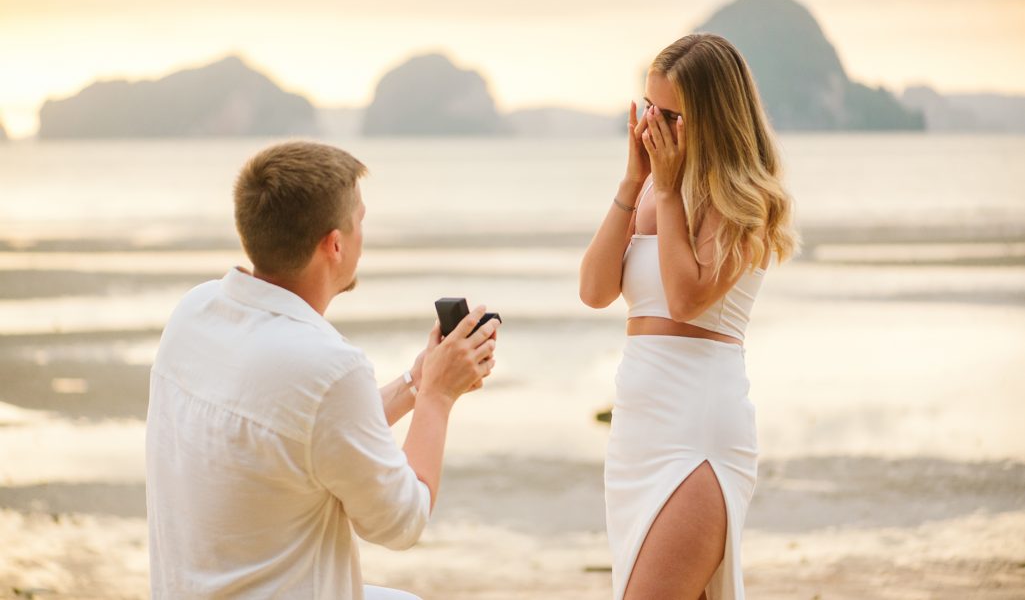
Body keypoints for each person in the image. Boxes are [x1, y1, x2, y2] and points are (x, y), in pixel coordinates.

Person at [145, 141, 500, 599]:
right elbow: (401, 521)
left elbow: (306, 429)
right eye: (360, 221)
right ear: (334, 244)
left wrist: (417, 382)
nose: (362, 234)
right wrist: (439, 397)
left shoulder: (196, 311)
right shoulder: (329, 368)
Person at [579, 34, 798, 600]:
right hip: (637, 429)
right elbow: (595, 289)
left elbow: (684, 298)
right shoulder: (651, 188)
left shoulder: (744, 198)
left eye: (672, 115)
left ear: (712, 117)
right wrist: (634, 182)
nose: (655, 127)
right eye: (650, 109)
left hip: (697, 431)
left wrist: (670, 189)